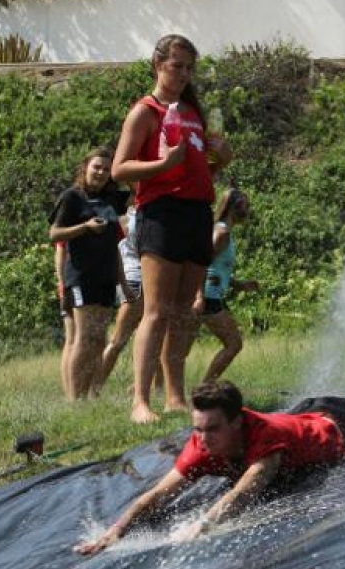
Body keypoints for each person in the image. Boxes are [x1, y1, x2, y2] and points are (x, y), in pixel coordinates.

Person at [73, 363, 345, 556]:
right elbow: (157, 495)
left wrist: (201, 525)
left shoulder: (265, 440)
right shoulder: (203, 442)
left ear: (238, 421)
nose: (201, 439)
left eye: (211, 429)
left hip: (337, 427)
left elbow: (246, 491)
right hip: (306, 414)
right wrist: (114, 532)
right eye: (197, 429)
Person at [112, 34, 232, 424]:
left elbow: (200, 168)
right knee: (157, 311)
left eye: (189, 68)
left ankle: (176, 397)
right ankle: (140, 402)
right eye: (176, 65)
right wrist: (162, 165)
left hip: (197, 212)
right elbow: (119, 169)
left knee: (182, 313)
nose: (183, 74)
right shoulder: (145, 111)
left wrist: (219, 159)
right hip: (160, 213)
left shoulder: (192, 112)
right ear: (158, 65)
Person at [49, 147, 131, 399]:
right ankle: (74, 400)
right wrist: (84, 227)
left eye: (107, 169)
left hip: (106, 277)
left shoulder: (111, 198)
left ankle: (87, 395)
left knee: (98, 341)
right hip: (81, 276)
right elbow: (54, 234)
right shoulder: (72, 197)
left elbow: (137, 188)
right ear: (85, 167)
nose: (101, 172)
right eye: (97, 167)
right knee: (84, 338)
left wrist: (124, 284)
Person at [184, 188, 259, 384]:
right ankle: (206, 386)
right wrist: (199, 296)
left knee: (180, 349)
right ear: (235, 207)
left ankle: (154, 387)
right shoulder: (221, 233)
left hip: (207, 295)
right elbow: (202, 263)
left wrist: (239, 284)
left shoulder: (222, 230)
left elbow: (215, 269)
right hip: (208, 297)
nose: (248, 210)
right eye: (246, 206)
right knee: (234, 344)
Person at [97, 201, 165, 392]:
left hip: (138, 279)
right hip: (135, 280)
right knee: (119, 340)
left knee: (151, 337)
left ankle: (154, 387)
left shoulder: (132, 219)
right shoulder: (130, 220)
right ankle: (93, 388)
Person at [54, 241, 75, 401]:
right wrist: (62, 284)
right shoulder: (68, 218)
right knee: (71, 340)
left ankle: (74, 391)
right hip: (70, 285)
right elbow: (60, 250)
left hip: (77, 283)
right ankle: (70, 393)